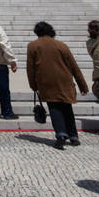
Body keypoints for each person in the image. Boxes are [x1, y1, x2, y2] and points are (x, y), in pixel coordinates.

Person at [25, 21, 88, 149]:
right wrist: (83, 85)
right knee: (67, 108)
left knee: (54, 107)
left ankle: (61, 134)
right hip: (65, 80)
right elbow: (74, 66)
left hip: (46, 81)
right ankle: (74, 136)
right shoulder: (61, 45)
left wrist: (33, 85)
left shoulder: (33, 46)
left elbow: (30, 68)